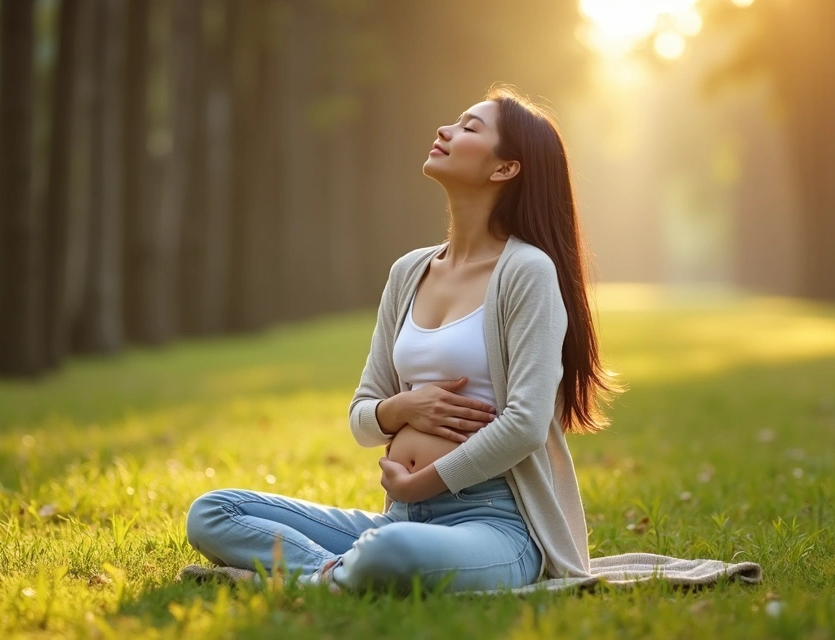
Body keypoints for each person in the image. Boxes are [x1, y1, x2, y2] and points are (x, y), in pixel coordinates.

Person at [182, 86, 762, 594]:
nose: (445, 130)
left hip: (496, 525)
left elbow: (527, 424)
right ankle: (336, 572)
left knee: (392, 555)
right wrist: (401, 407)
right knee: (214, 511)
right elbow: (362, 415)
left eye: (469, 127)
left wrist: (424, 479)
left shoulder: (526, 272)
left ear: (504, 169)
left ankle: (331, 571)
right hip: (401, 517)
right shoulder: (409, 271)